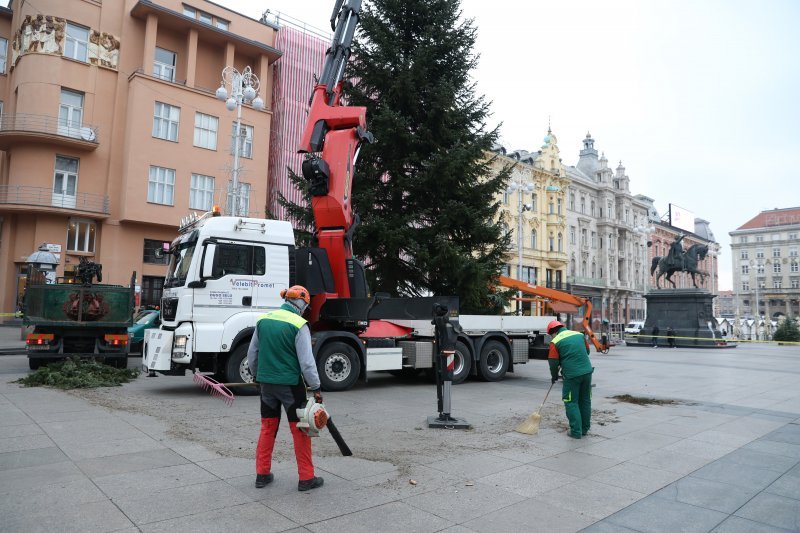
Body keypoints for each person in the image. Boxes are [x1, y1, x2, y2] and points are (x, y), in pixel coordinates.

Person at [247, 285, 324, 492]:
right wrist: (316, 387)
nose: (305, 310)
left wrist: (257, 376)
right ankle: (306, 478)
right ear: (301, 303)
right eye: (306, 306)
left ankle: (262, 475)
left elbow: (252, 354)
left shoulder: (264, 320)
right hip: (290, 386)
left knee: (267, 427)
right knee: (300, 430)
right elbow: (307, 363)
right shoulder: (299, 324)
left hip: (266, 385)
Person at [547, 320, 593, 439]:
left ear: (553, 333)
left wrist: (554, 376)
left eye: (550, 335)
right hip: (587, 372)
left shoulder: (555, 341)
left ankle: (576, 431)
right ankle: (584, 429)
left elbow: (553, 363)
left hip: (572, 376)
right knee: (585, 400)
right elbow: (587, 351)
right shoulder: (579, 335)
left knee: (571, 402)